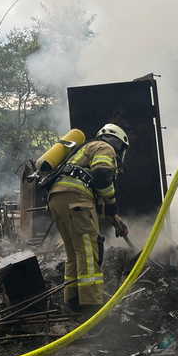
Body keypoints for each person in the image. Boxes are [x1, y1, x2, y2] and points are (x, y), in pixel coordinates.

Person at [47, 123, 129, 312]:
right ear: (119, 144)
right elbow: (101, 175)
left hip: (58, 198)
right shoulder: (104, 147)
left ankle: (72, 301)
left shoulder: (83, 150)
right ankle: (91, 306)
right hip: (76, 199)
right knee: (88, 251)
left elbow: (94, 197)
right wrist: (112, 202)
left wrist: (115, 219)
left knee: (73, 253)